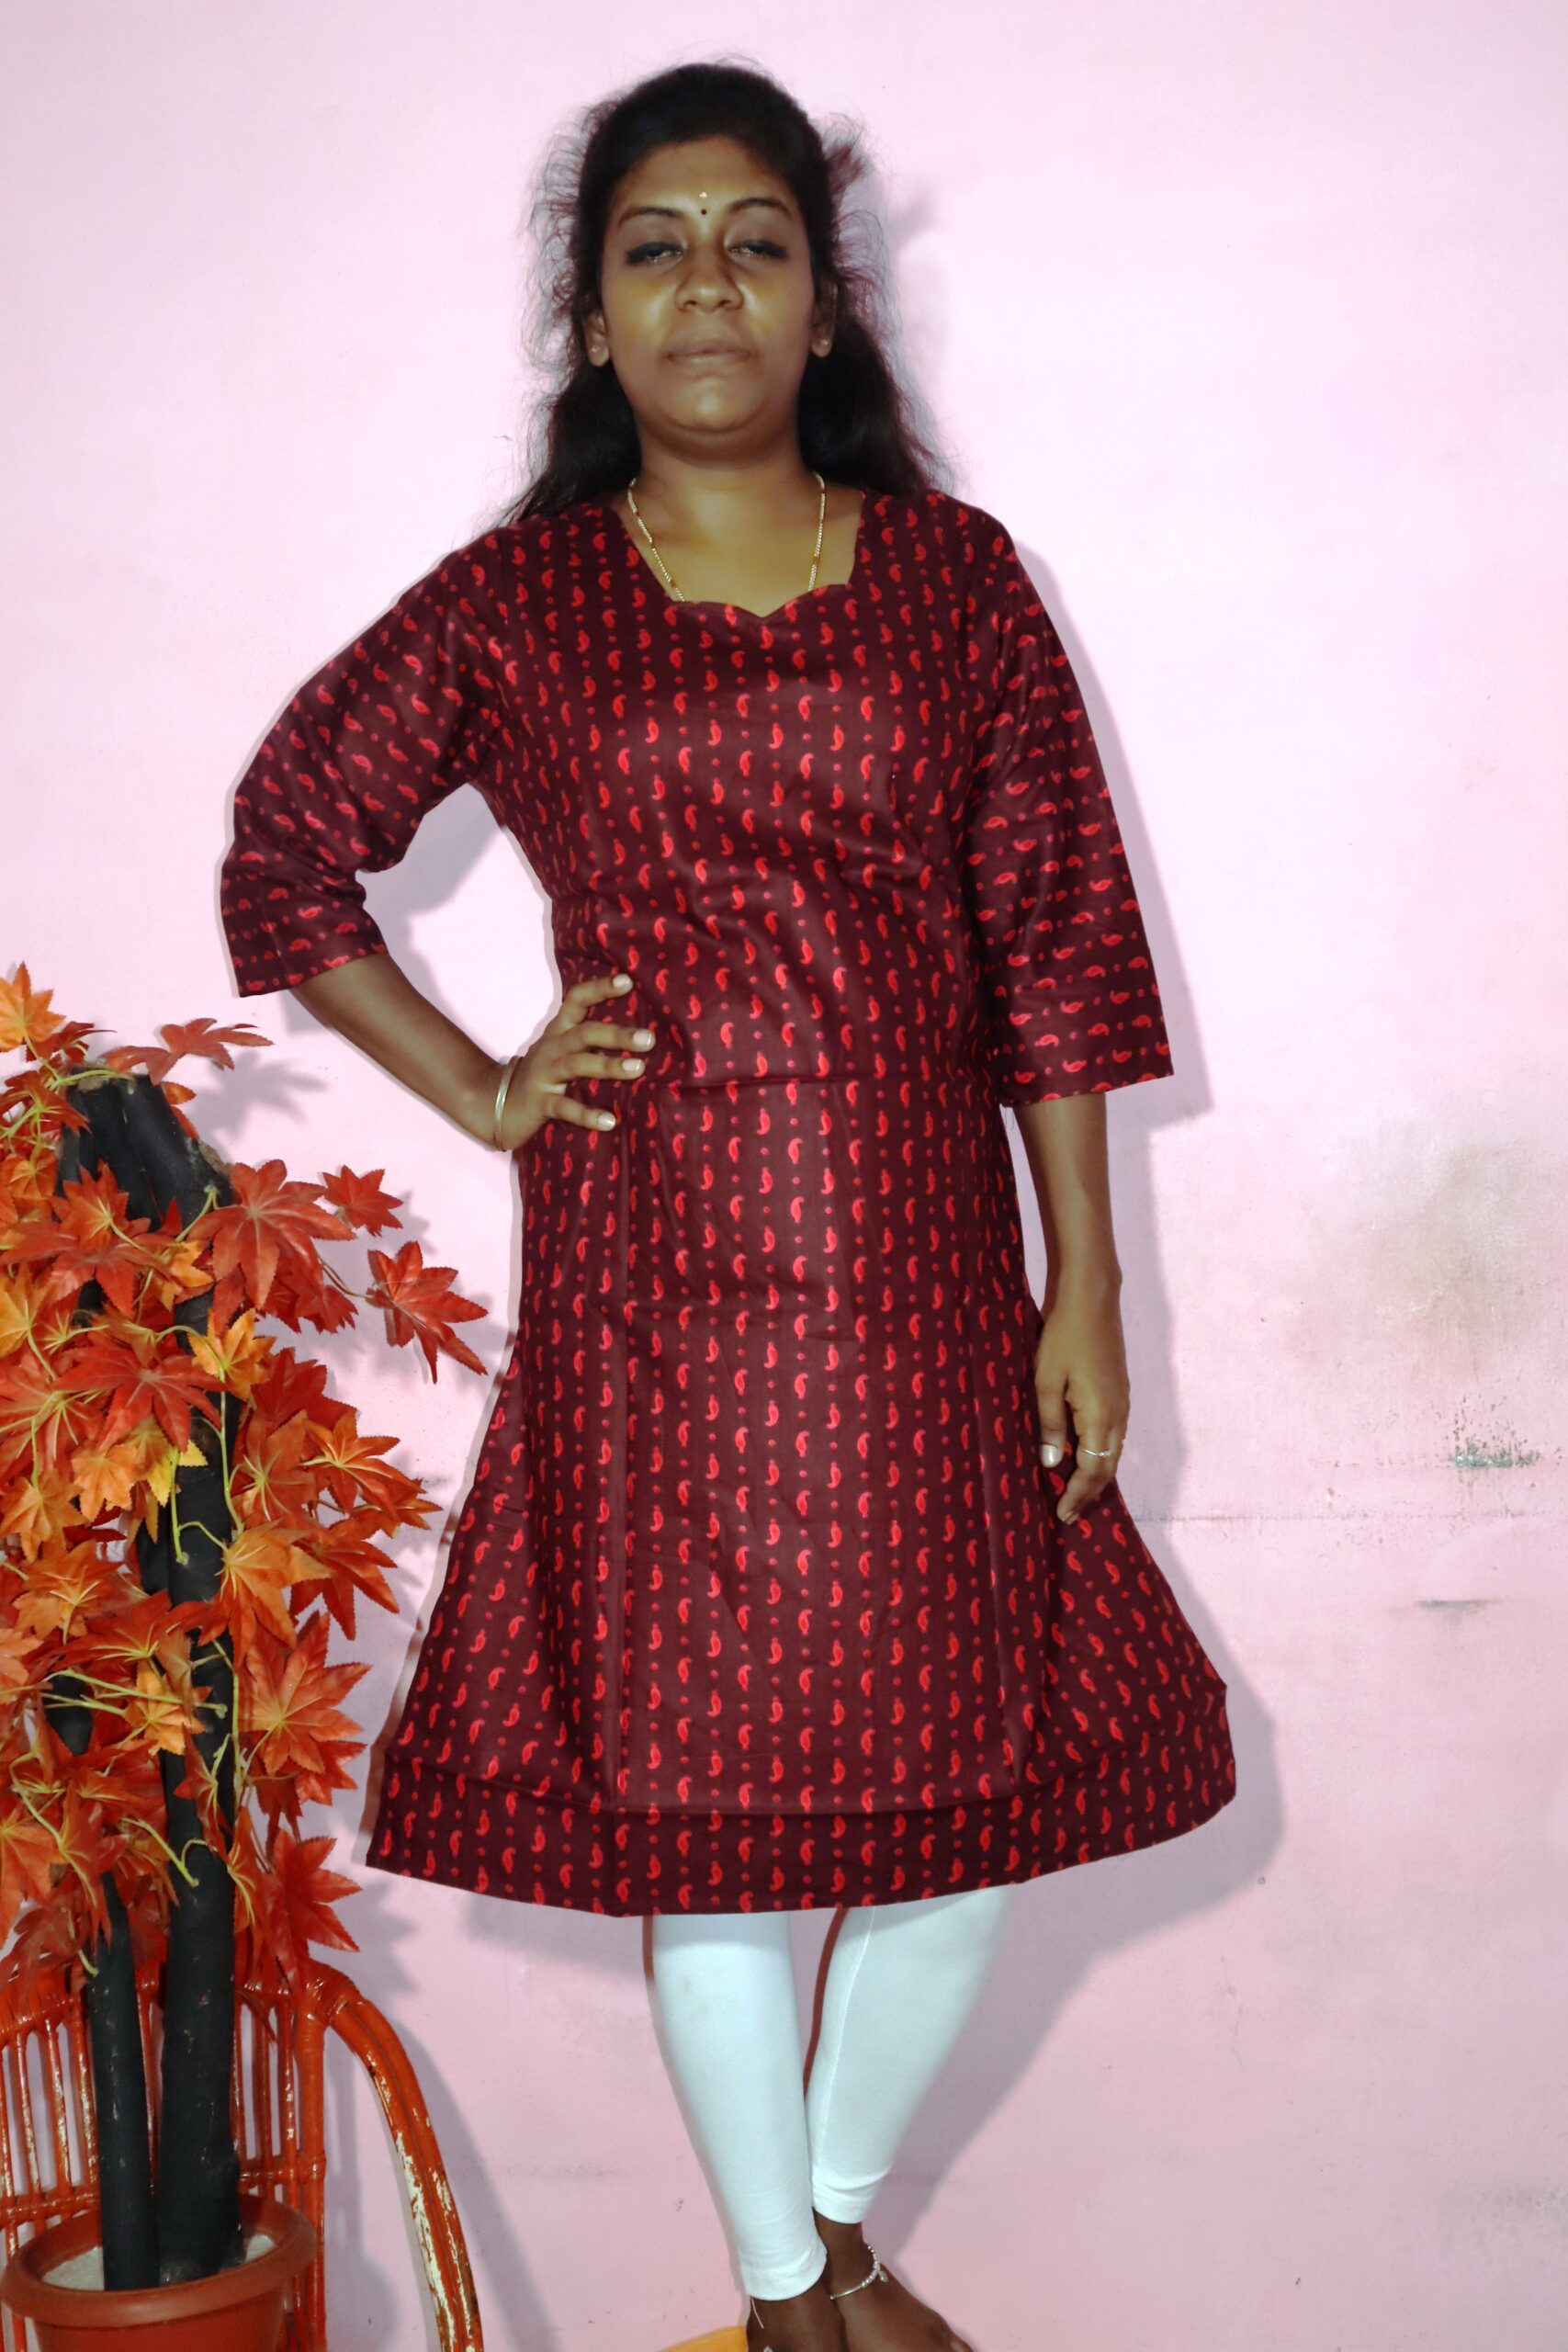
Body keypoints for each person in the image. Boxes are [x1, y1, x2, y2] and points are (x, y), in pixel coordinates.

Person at [218, 58, 1236, 2352]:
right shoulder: (522, 602)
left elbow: (1052, 940)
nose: (706, 285)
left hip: (921, 1279)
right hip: (652, 1285)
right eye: (654, 247)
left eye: (753, 242)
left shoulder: (957, 585)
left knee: (975, 1784)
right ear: (593, 317)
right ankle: (789, 2298)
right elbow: (287, 851)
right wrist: (485, 1083)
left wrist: (1087, 1284)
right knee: (700, 1792)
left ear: (822, 304)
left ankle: (831, 2221)